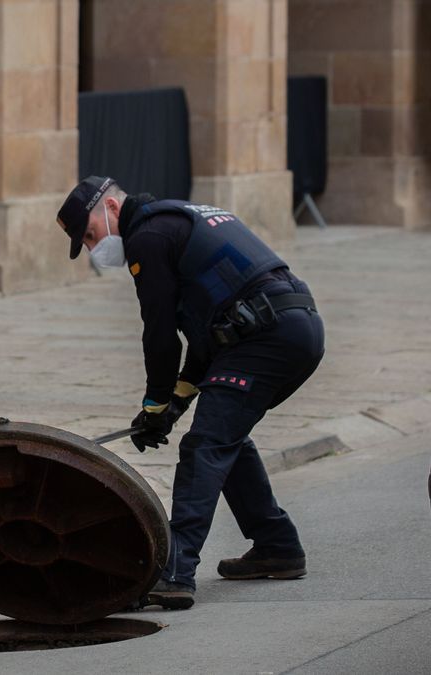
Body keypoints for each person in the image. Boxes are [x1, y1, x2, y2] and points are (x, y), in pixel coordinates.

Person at [57, 176, 324, 610]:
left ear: (109, 208)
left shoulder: (148, 237)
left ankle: (175, 570)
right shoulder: (176, 219)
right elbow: (209, 340)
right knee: (226, 432)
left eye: (88, 235)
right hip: (289, 326)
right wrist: (173, 405)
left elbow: (161, 336)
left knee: (206, 444)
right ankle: (277, 546)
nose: (92, 249)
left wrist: (153, 402)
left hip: (267, 335)